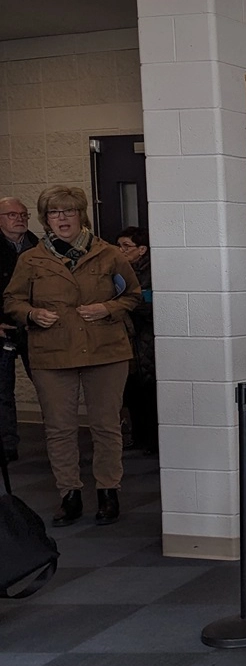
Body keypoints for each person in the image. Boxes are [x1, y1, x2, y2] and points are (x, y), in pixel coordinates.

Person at [3, 186, 141, 526]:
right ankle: (70, 493)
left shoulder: (110, 254)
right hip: (52, 352)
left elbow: (133, 295)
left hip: (105, 350)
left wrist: (108, 307)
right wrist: (32, 314)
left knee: (106, 426)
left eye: (68, 212)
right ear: (46, 220)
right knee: (59, 428)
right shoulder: (31, 259)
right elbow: (12, 301)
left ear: (81, 215)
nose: (62, 218)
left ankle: (108, 490)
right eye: (54, 213)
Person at [0, 196, 38, 464]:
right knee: (2, 391)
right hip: (2, 327)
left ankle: (62, 440)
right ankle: (6, 445)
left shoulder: (38, 246)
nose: (20, 218)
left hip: (34, 325)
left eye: (23, 214)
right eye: (13, 214)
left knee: (48, 385)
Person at [116, 226, 157, 454]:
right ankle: (139, 436)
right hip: (129, 338)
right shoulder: (119, 270)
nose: (121, 250)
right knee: (132, 390)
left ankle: (151, 439)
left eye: (126, 246)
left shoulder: (152, 271)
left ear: (142, 249)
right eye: (119, 245)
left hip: (146, 336)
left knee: (149, 389)